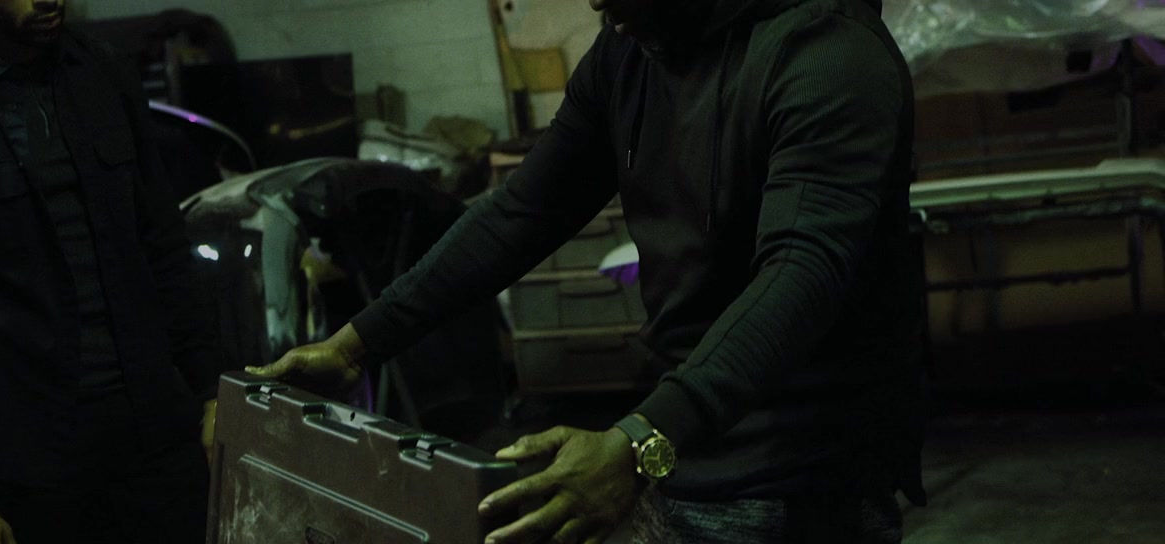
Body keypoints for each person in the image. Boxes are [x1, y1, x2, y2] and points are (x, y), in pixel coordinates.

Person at [248, 0, 926, 542]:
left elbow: (800, 276)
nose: (596, 1)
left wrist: (637, 443)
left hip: (803, 478)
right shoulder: (631, 50)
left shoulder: (827, 51)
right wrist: (356, 345)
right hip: (685, 452)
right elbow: (521, 212)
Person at [0, 0, 222, 543]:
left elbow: (162, 244)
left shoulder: (103, 71)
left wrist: (210, 390)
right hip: (26, 472)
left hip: (154, 444)